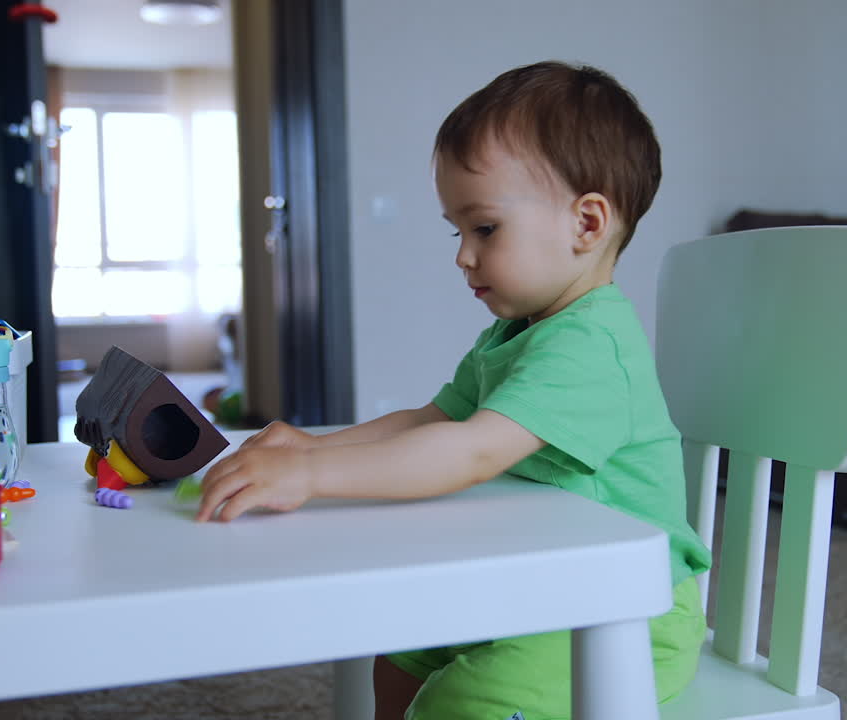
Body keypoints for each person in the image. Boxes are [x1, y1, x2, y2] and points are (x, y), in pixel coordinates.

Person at [195, 60, 712, 719]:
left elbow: (468, 451)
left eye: (485, 229)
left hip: (629, 611)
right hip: (542, 578)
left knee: (468, 700)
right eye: (457, 230)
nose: (463, 256)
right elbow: (430, 419)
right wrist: (311, 447)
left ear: (587, 224)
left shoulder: (591, 347)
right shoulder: (518, 333)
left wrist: (315, 473)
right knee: (403, 649)